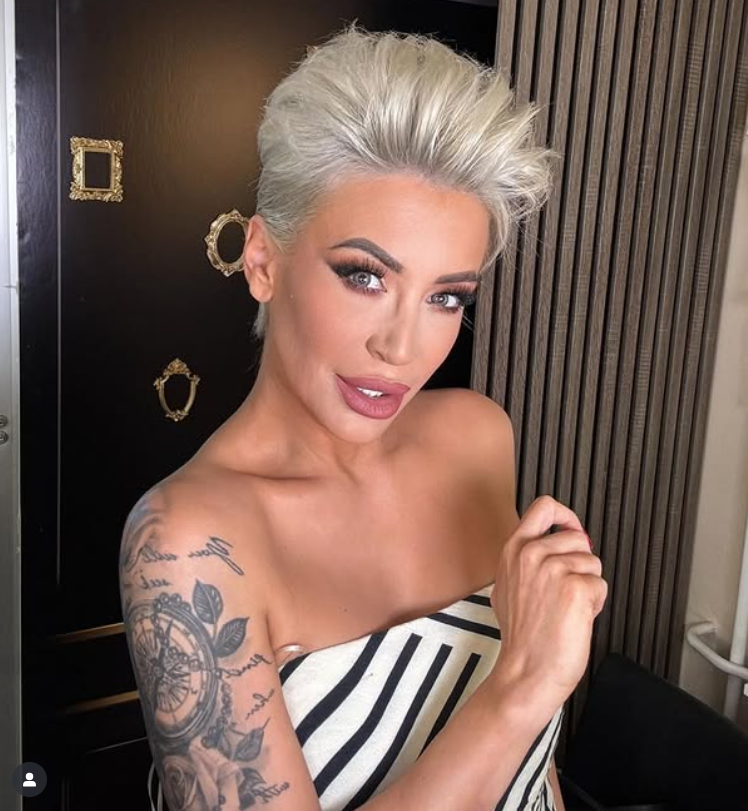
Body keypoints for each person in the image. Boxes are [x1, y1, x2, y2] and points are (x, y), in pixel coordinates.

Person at [118, 21, 607, 811]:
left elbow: (530, 775)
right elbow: (521, 704)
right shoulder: (189, 544)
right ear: (262, 259)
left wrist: (533, 708)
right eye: (364, 276)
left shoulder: (477, 436)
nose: (402, 347)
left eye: (447, 297)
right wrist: (520, 685)